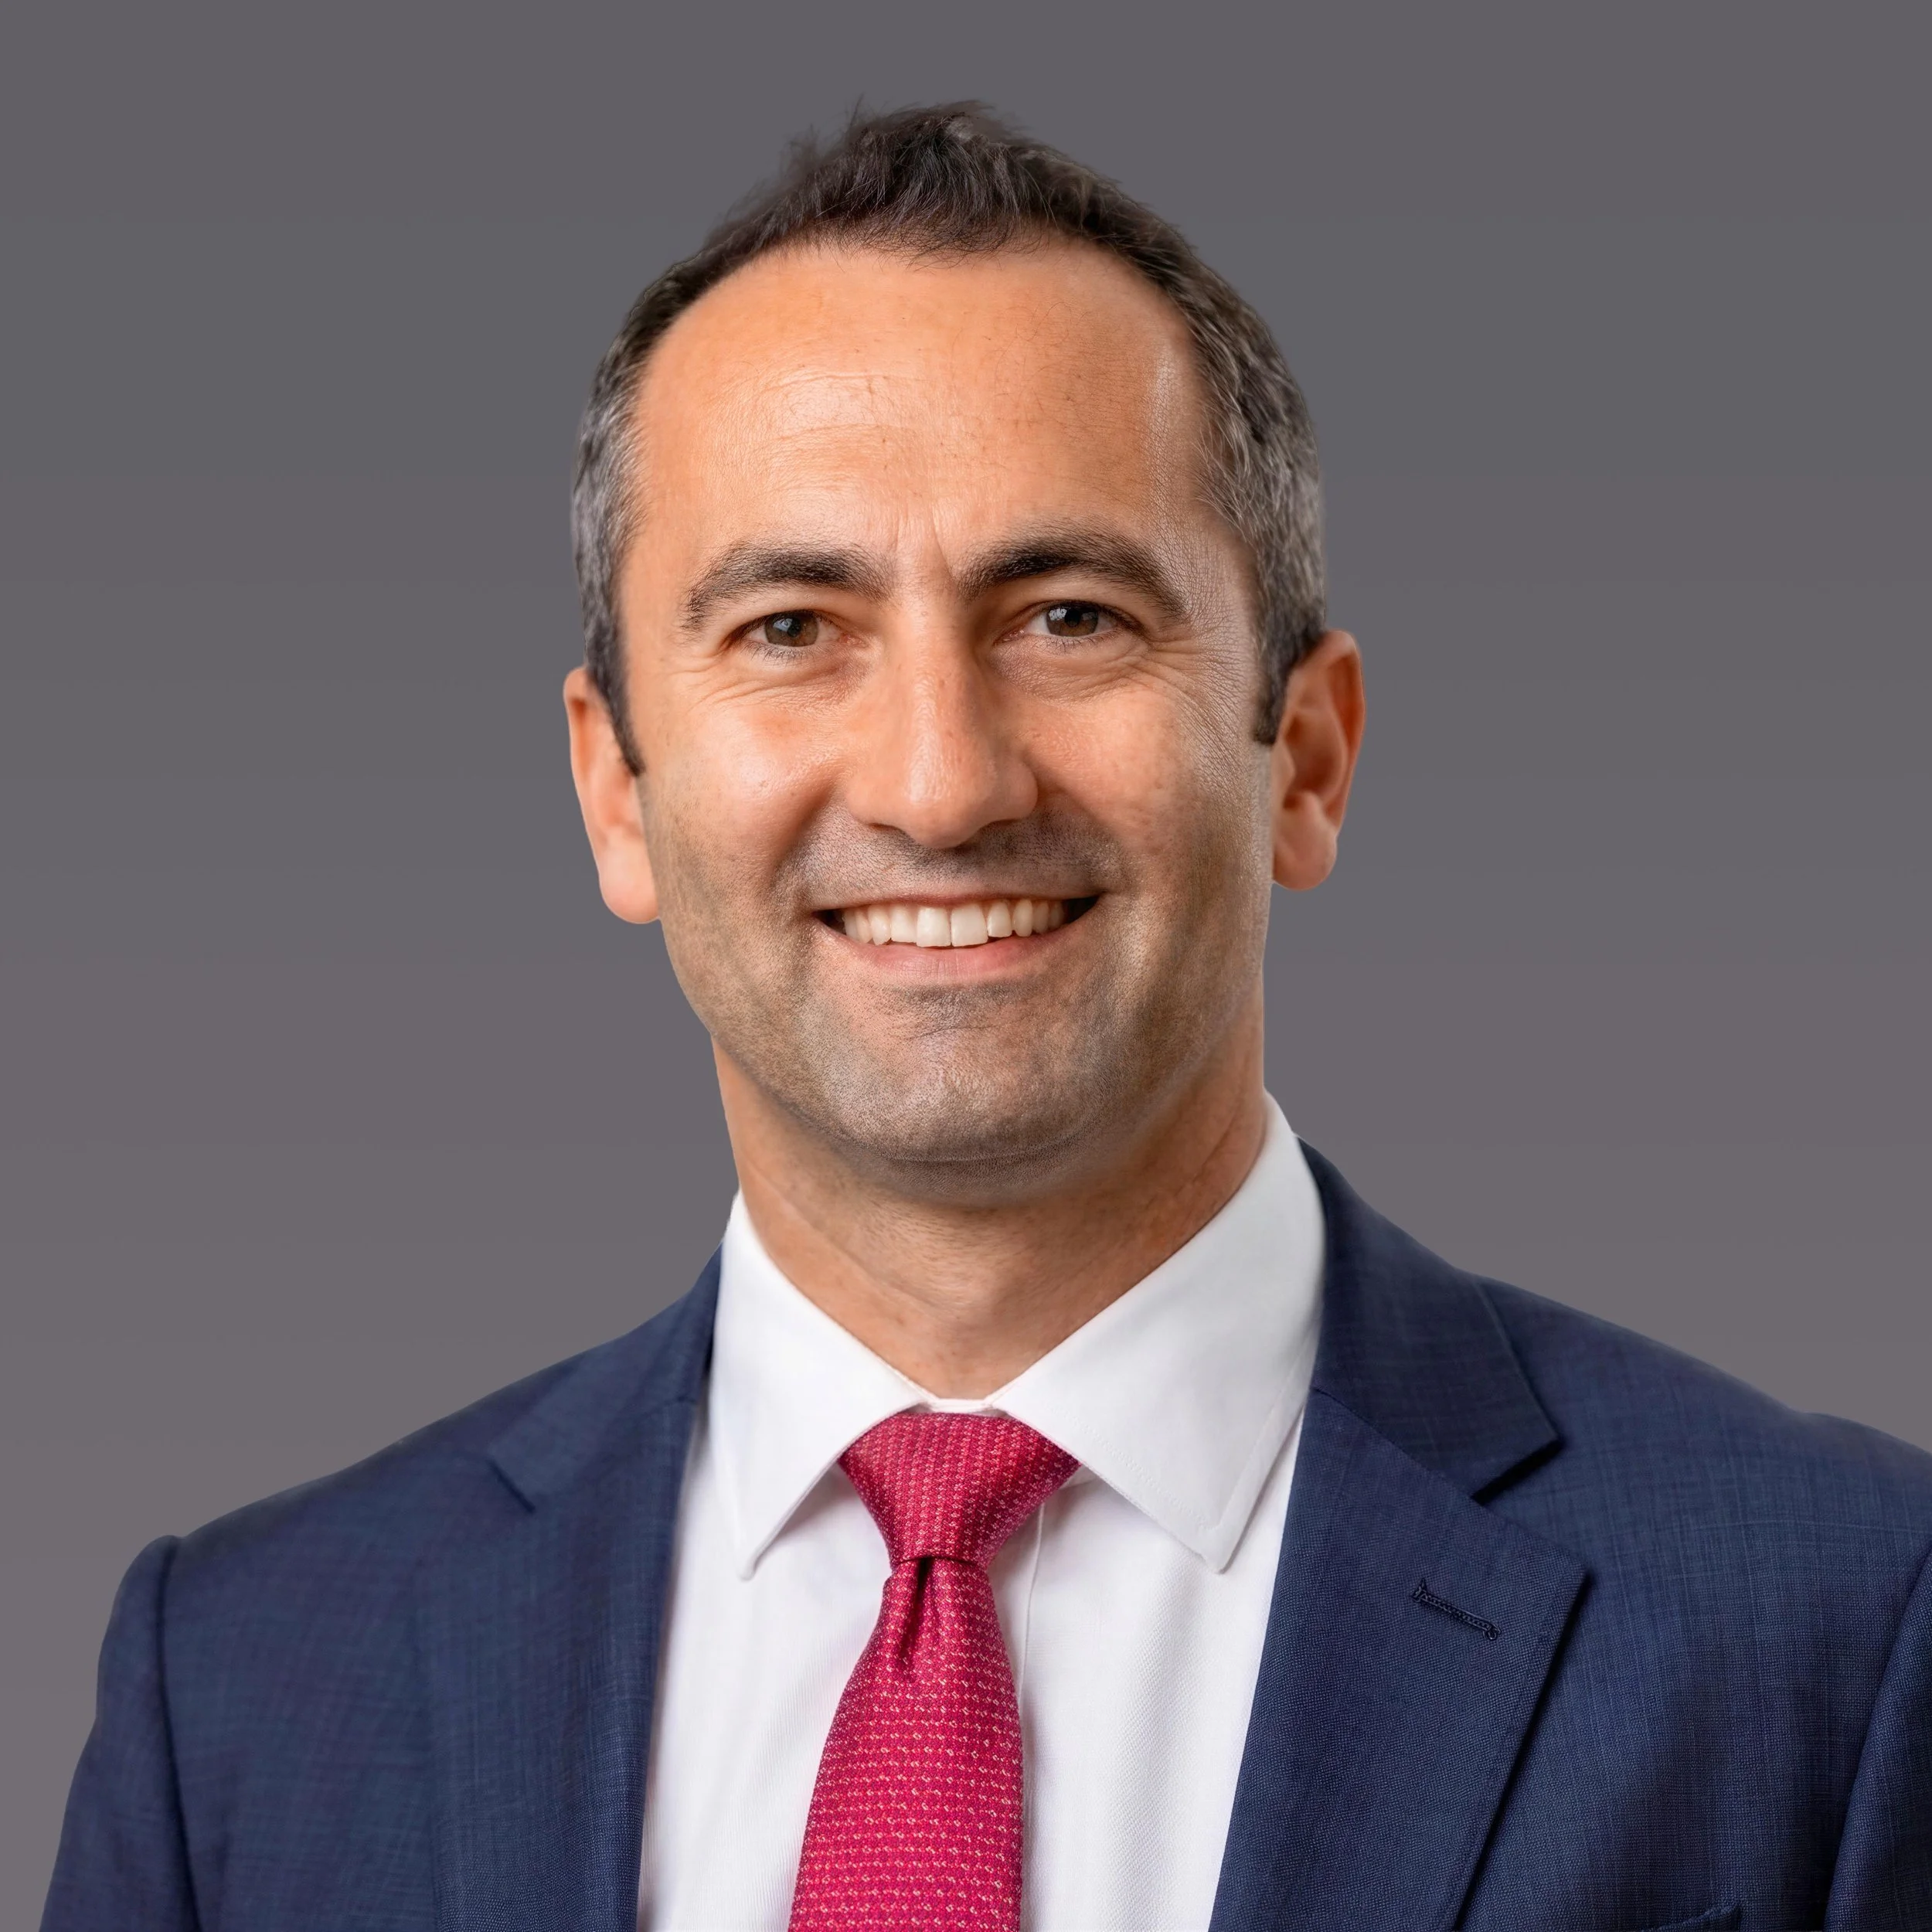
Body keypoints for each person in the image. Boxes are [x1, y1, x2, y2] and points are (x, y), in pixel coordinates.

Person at [43, 103, 1932, 1932]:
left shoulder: (1841, 1632)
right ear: (615, 787)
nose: (940, 783)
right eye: (791, 627)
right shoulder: (239, 1688)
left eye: (1070, 614)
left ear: (1305, 757)